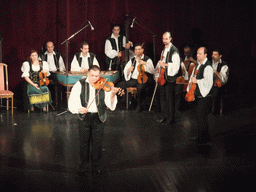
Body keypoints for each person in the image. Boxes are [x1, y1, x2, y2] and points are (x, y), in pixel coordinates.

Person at [68, 65, 119, 176]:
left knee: (97, 143)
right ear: (88, 74)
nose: (95, 79)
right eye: (92, 76)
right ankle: (83, 167)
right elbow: (72, 101)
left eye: (97, 76)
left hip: (98, 117)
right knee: (83, 143)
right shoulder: (79, 84)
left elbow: (108, 103)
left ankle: (96, 166)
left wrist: (113, 95)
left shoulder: (103, 85)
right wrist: (79, 109)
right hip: (85, 117)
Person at [116, 44, 155, 112]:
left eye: (139, 49)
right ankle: (127, 101)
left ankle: (139, 105)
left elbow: (152, 70)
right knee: (120, 85)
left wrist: (145, 63)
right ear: (134, 51)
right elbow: (126, 71)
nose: (137, 51)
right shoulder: (132, 60)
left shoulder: (147, 59)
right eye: (136, 50)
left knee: (140, 88)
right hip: (134, 80)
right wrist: (129, 70)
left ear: (142, 50)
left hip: (143, 79)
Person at [187, 47, 213, 145]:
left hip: (204, 97)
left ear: (205, 55)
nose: (198, 55)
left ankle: (204, 139)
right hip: (198, 95)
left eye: (200, 54)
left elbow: (208, 83)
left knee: (202, 118)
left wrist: (197, 81)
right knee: (199, 118)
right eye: (197, 53)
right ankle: (202, 137)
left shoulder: (208, 67)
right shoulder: (198, 64)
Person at [155, 32, 181, 125]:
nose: (164, 41)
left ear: (170, 39)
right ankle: (165, 116)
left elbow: (176, 65)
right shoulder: (164, 49)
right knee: (163, 98)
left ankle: (171, 118)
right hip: (163, 76)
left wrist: (165, 64)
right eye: (163, 39)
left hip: (170, 78)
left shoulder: (174, 50)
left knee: (170, 99)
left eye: (166, 39)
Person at [211, 49, 229, 114]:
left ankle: (214, 111)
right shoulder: (209, 63)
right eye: (213, 54)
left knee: (215, 91)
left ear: (220, 56)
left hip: (218, 85)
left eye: (215, 55)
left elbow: (224, 80)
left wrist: (216, 72)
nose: (213, 56)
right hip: (209, 83)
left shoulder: (224, 65)